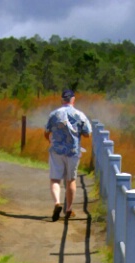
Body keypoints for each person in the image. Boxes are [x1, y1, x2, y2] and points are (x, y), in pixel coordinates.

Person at [44, 89, 92, 222]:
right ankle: (69, 209)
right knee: (71, 180)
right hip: (73, 152)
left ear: (62, 100)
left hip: (56, 151)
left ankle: (57, 203)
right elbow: (87, 133)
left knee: (55, 179)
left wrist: (51, 140)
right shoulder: (80, 115)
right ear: (73, 100)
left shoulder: (54, 114)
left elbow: (46, 132)